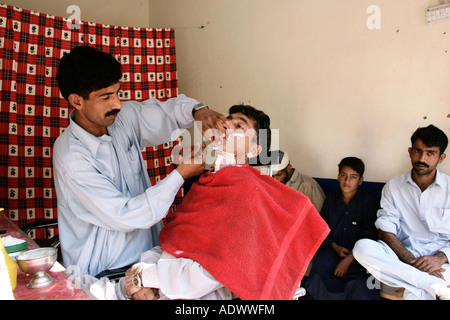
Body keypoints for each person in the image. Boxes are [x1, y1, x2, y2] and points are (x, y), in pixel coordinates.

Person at [80, 105, 329, 300]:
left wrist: (148, 277)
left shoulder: (248, 193)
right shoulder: (207, 182)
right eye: (227, 119)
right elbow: (175, 242)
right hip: (158, 282)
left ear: (253, 151)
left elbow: (209, 275)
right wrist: (141, 271)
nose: (226, 125)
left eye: (239, 126)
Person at [53, 45, 229, 276]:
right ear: (76, 101)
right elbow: (125, 216)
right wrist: (180, 175)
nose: (117, 104)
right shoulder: (71, 156)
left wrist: (198, 111)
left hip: (150, 256)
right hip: (106, 269)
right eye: (106, 97)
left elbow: (168, 112)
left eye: (117, 92)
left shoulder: (122, 117)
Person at [353, 124, 450, 300]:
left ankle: (422, 283)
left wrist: (440, 257)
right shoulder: (394, 186)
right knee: (362, 247)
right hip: (403, 258)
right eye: (417, 151)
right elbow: (385, 231)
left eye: (430, 153)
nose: (422, 158)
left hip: (441, 262)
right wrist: (412, 261)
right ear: (409, 151)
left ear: (441, 158)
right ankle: (429, 283)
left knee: (415, 295)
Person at [303, 157, 380, 300]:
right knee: (320, 268)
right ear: (338, 177)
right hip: (334, 251)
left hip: (361, 255)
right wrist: (335, 247)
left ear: (361, 180)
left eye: (353, 177)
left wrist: (349, 259)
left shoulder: (368, 202)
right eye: (343, 175)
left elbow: (371, 235)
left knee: (362, 283)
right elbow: (323, 228)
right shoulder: (331, 199)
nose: (347, 181)